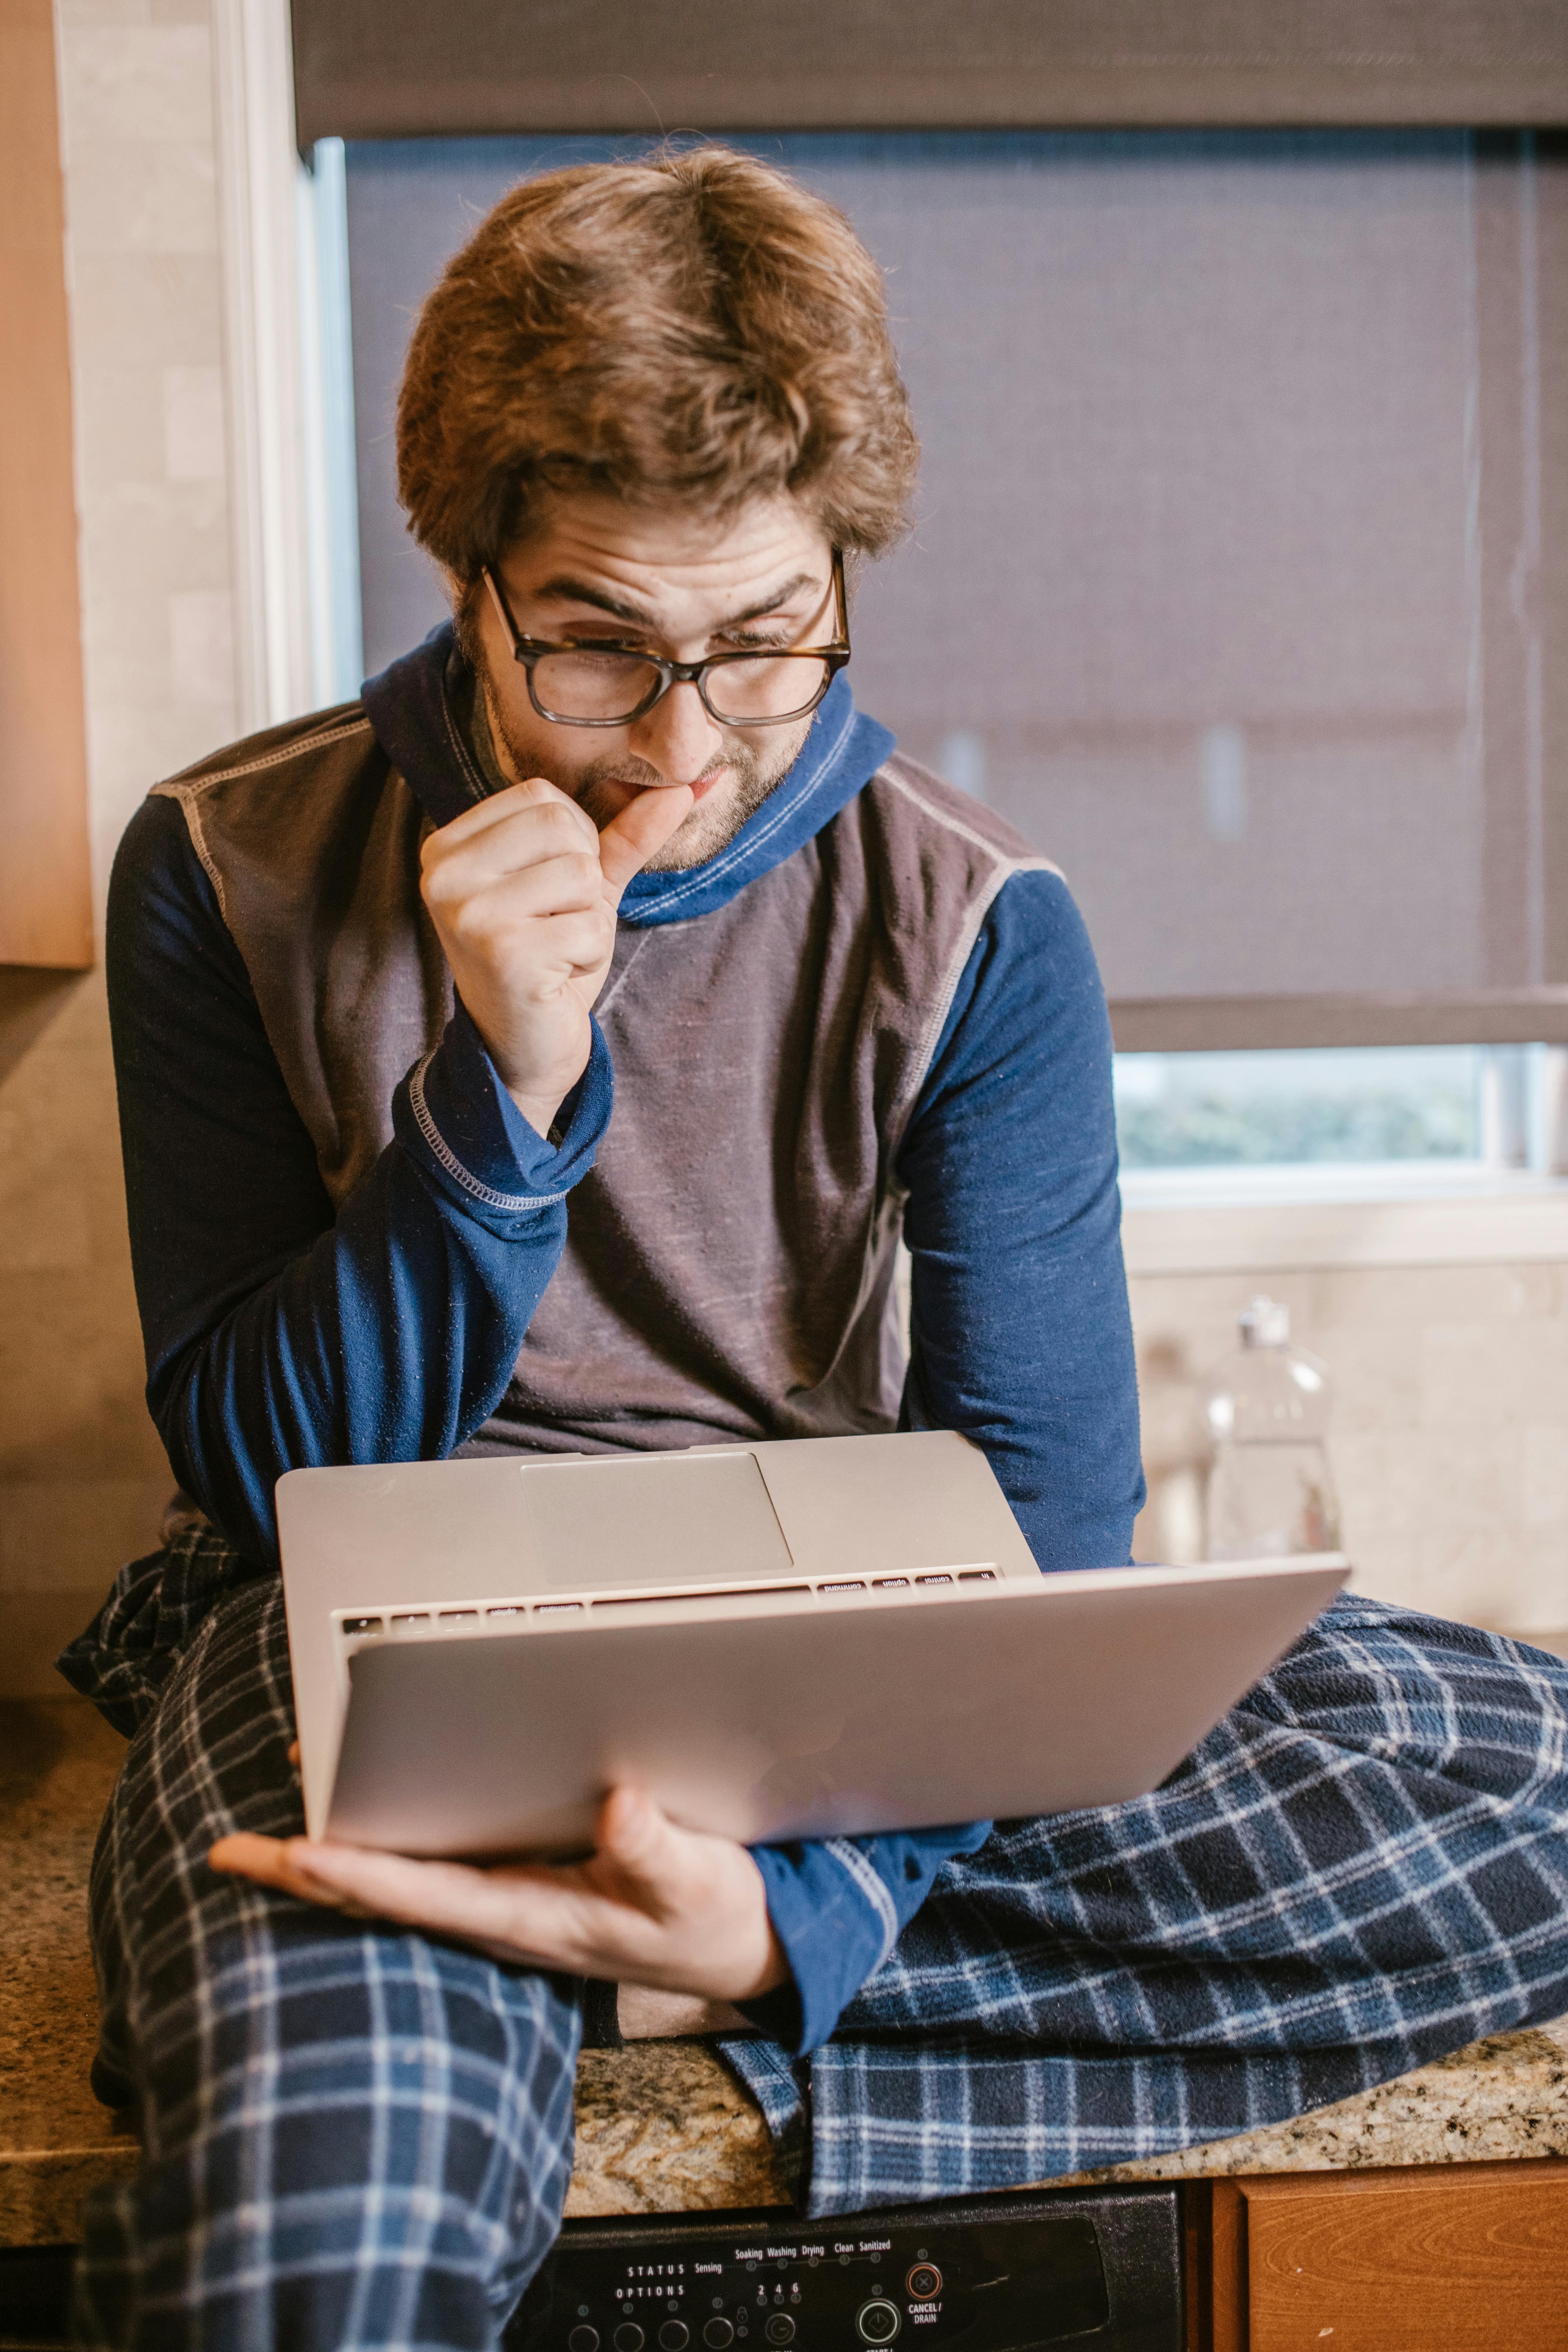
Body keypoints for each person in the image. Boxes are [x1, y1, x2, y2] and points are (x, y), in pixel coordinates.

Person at [63, 146, 1568, 2351]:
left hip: (847, 1661)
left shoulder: (976, 917)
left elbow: (1043, 1539)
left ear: (841, 567)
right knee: (325, 2231)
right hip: (362, 1653)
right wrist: (504, 1092)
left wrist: (788, 1908)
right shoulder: (227, 861)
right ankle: (501, 1942)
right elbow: (257, 1469)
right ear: (464, 579)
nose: (686, 740)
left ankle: (660, 1951)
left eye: (765, 641)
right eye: (594, 645)